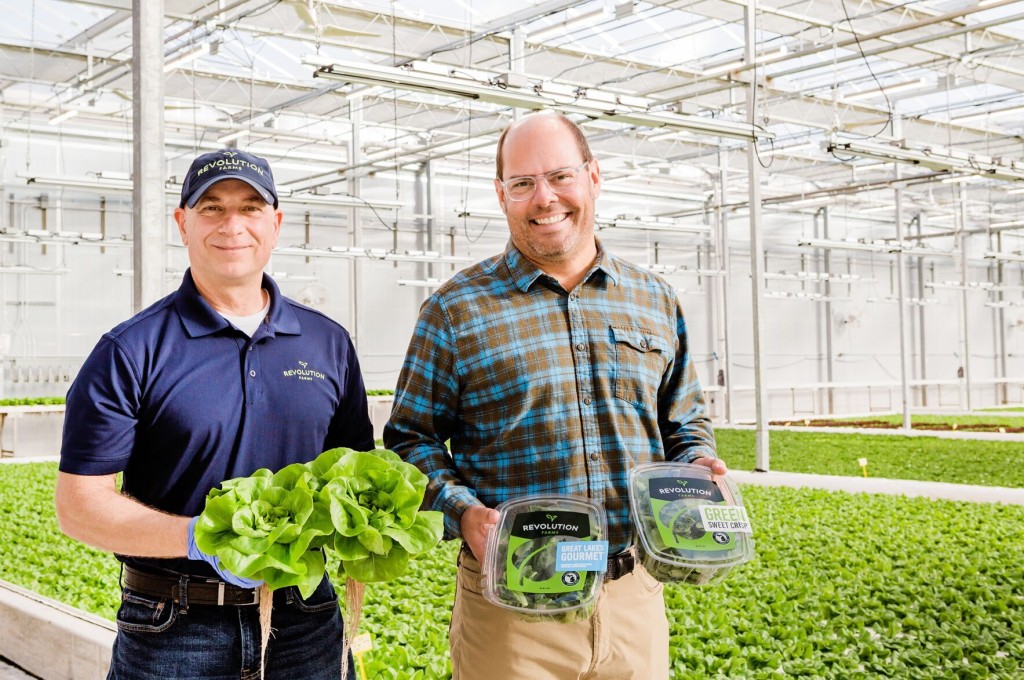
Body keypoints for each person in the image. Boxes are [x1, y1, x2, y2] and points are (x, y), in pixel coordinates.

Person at [384, 111, 727, 679]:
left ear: (593, 176)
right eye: (523, 184)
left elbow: (684, 420)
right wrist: (462, 511)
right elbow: (409, 440)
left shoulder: (654, 299)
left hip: (632, 596)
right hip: (512, 603)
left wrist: (696, 463)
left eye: (560, 176)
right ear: (501, 195)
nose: (544, 198)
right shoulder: (456, 309)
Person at [55, 148, 374, 680]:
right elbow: (79, 506)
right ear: (182, 223)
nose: (232, 225)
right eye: (211, 207)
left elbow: (355, 472)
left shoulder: (328, 343)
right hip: (175, 625)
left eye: (250, 208)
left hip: (306, 619)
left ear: (275, 224)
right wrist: (198, 538)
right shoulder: (131, 350)